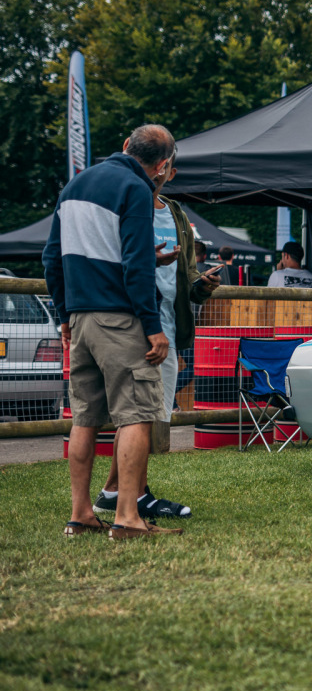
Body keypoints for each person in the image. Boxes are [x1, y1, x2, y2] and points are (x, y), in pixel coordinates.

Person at [43, 124, 182, 540]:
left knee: (85, 418)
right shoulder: (137, 189)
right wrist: (154, 328)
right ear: (162, 166)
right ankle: (127, 519)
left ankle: (80, 513)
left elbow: (52, 257)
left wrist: (65, 315)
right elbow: (136, 264)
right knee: (137, 414)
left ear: (125, 146)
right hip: (120, 318)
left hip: (81, 319)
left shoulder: (74, 186)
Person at [92, 150, 221, 520]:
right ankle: (134, 497)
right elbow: (119, 259)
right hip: (136, 322)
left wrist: (203, 285)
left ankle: (113, 492)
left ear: (171, 172)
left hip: (167, 321)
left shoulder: (177, 213)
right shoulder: (125, 202)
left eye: (164, 166)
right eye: (156, 163)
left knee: (145, 414)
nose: (158, 172)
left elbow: (187, 275)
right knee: (141, 413)